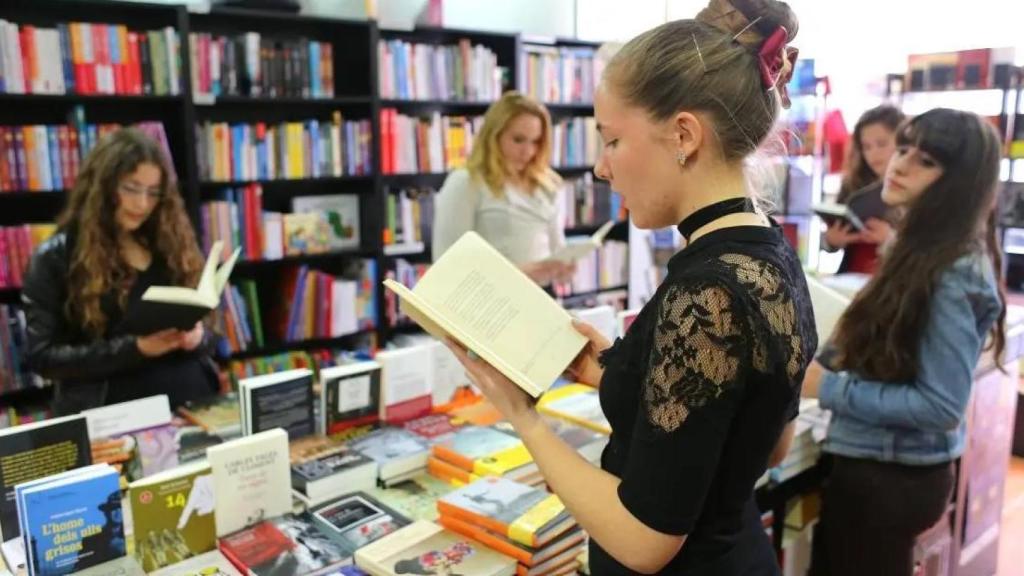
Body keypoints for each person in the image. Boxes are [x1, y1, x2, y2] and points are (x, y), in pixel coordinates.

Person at [445, 1, 817, 573]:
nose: (601, 168)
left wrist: (522, 416)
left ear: (683, 135)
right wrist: (614, 371)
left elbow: (645, 541)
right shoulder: (770, 253)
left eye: (613, 141)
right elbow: (765, 442)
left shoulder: (708, 294)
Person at [803, 108, 1006, 576]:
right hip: (874, 465)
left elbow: (940, 405)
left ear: (958, 181)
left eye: (926, 161)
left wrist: (828, 388)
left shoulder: (952, 269)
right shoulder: (916, 247)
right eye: (904, 148)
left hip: (892, 475)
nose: (900, 164)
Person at [23, 127, 219, 415]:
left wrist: (199, 338)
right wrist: (136, 348)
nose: (142, 204)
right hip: (114, 417)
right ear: (102, 187)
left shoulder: (169, 246)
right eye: (131, 188)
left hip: (194, 405)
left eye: (153, 192)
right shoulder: (56, 257)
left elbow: (212, 331)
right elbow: (43, 357)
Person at [432, 91, 574, 286]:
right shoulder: (466, 182)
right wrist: (518, 275)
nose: (528, 152)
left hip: (543, 296)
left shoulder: (548, 185)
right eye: (518, 140)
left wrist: (564, 269)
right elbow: (446, 265)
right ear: (494, 136)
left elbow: (557, 249)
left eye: (536, 141)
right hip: (492, 299)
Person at [823, 105, 905, 274]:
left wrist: (890, 239)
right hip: (850, 276)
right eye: (866, 147)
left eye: (881, 144)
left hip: (892, 278)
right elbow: (829, 243)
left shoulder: (917, 187)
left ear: (903, 143)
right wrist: (831, 240)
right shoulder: (852, 184)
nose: (873, 153)